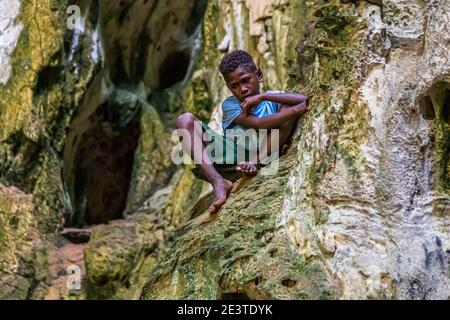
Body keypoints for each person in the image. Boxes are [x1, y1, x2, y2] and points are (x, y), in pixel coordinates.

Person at [176, 50, 308, 214]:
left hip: (266, 156)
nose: (243, 89)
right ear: (228, 87)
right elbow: (258, 124)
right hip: (234, 161)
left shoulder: (273, 98)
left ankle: (257, 162)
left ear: (258, 75)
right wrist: (298, 110)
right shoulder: (230, 105)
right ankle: (219, 182)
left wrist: (264, 97)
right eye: (234, 86)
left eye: (246, 81)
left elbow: (304, 99)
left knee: (287, 108)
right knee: (184, 120)